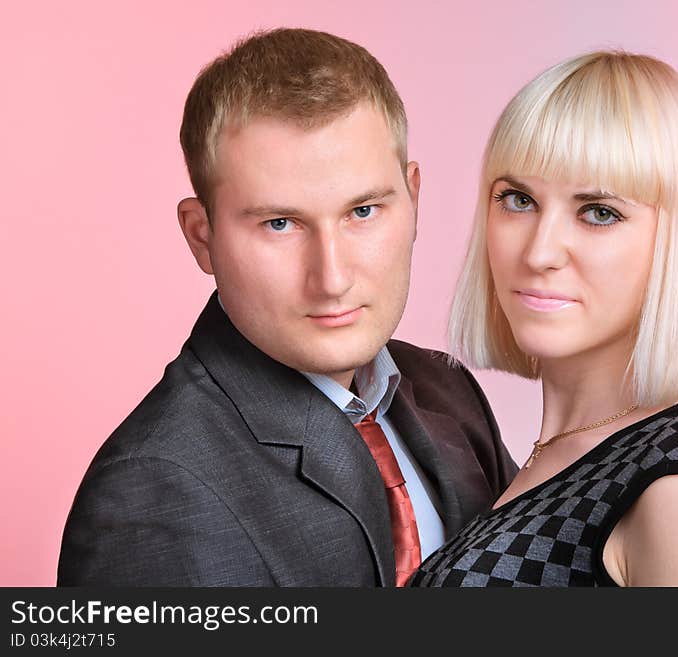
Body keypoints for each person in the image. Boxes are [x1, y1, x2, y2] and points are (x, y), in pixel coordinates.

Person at [57, 28, 517, 587]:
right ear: (201, 237)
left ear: (413, 199)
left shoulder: (450, 393)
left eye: (363, 211)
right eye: (280, 223)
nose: (332, 277)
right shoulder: (153, 493)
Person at [410, 51, 678, 587]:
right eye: (518, 199)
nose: (540, 251)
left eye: (598, 212)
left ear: (676, 242)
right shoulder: (548, 456)